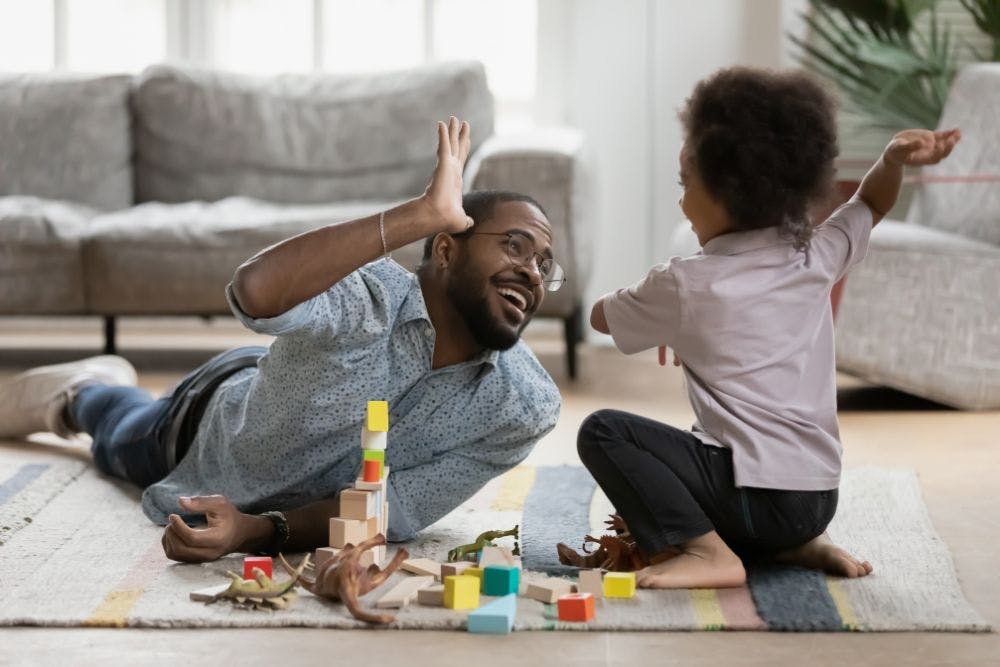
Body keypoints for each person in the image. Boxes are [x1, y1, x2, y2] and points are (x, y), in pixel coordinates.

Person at [0, 117, 563, 562]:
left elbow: (399, 508)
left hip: (283, 379)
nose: (534, 272)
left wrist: (258, 531)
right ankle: (82, 389)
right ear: (446, 249)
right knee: (113, 434)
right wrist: (419, 215)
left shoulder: (522, 407)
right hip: (209, 423)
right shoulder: (370, 296)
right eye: (514, 246)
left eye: (544, 263)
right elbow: (254, 292)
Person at [580, 67, 960, 589]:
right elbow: (870, 203)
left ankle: (708, 553)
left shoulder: (688, 284)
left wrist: (661, 313)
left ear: (724, 192)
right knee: (709, 448)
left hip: (753, 501)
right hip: (816, 501)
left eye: (684, 184)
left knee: (603, 431)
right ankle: (796, 547)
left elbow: (600, 316)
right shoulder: (816, 255)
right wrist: (891, 158)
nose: (680, 200)